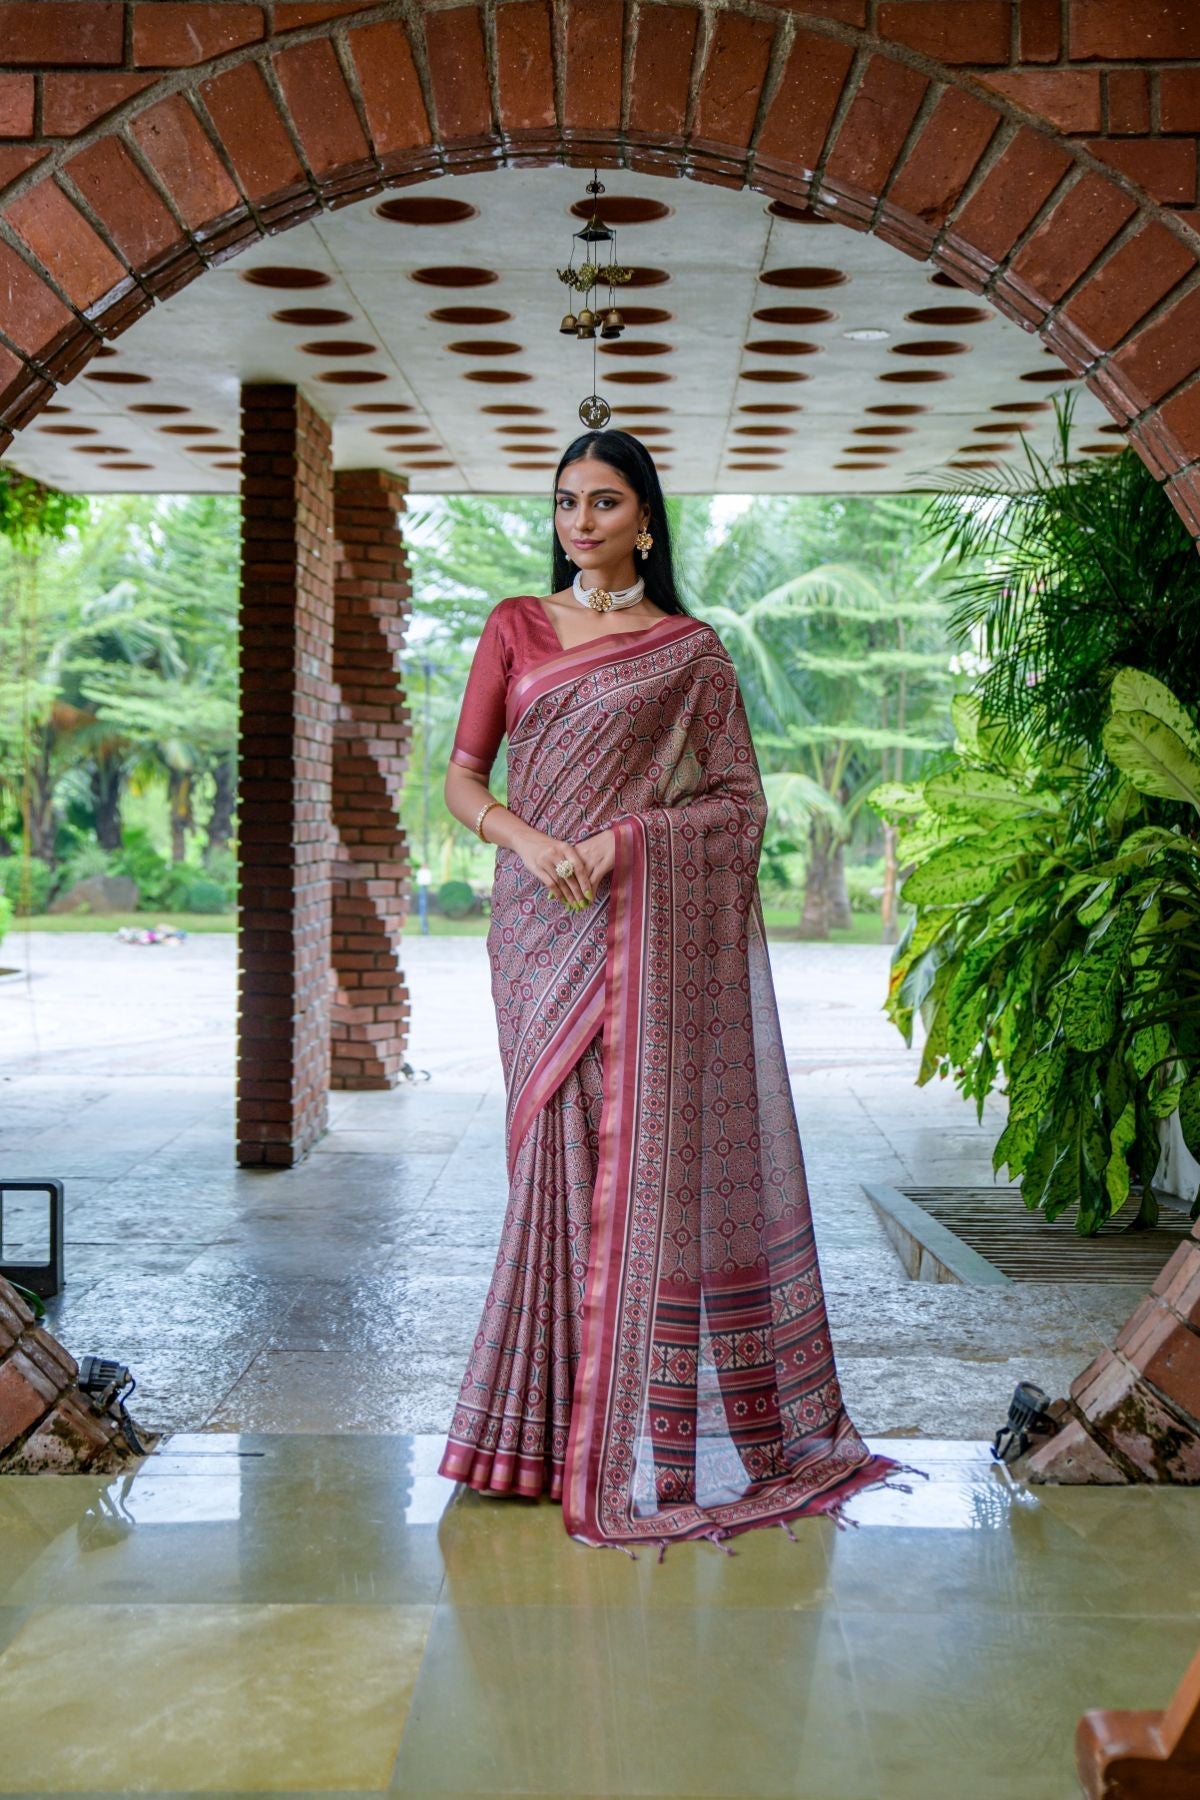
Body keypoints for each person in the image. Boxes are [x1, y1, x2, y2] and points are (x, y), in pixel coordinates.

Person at [437, 428, 903, 1551]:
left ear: (646, 519)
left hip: (632, 927)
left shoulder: (690, 651)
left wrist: (625, 843)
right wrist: (530, 839)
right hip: (535, 929)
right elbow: (461, 777)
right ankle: (529, 1434)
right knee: (551, 1157)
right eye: (565, 504)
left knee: (616, 1162)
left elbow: (739, 807)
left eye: (603, 503)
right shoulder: (516, 625)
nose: (580, 523)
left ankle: (572, 1436)